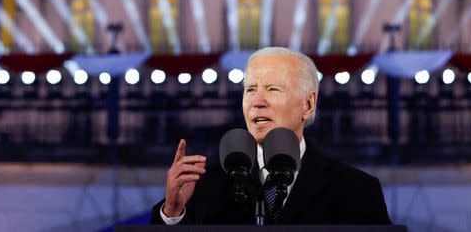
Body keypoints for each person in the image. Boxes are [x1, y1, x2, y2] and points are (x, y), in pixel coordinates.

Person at [150, 46, 391, 225]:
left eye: (273, 89)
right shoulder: (203, 188)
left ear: (308, 104)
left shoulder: (356, 190)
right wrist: (172, 212)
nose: (257, 102)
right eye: (251, 90)